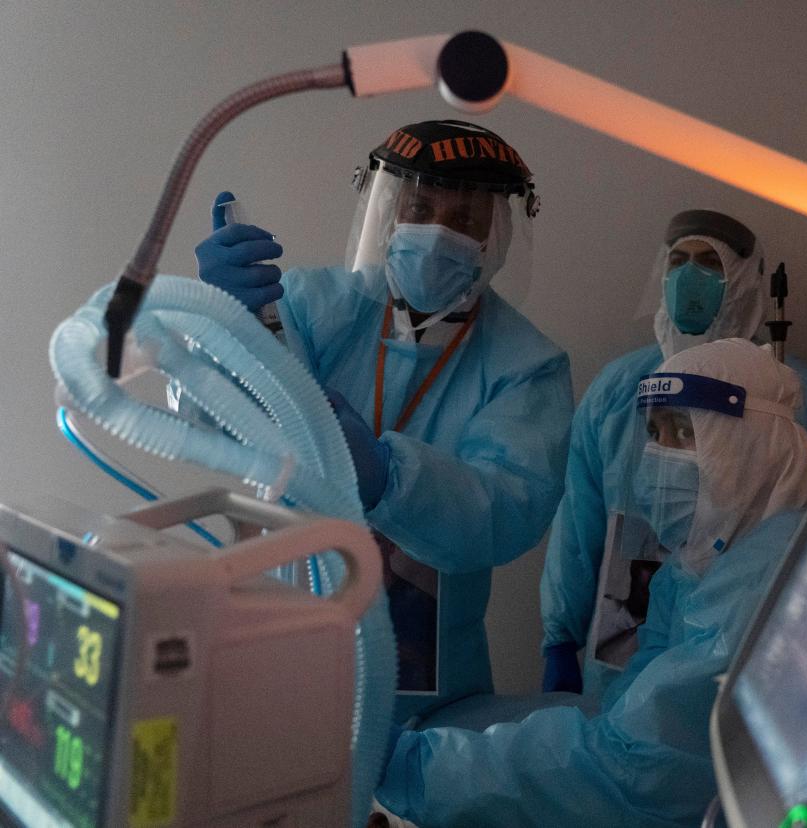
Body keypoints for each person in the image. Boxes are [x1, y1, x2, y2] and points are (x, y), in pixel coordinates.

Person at [193, 120, 574, 722]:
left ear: (497, 234)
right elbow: (211, 426)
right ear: (389, 213)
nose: (439, 233)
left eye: (466, 218)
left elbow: (508, 510)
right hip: (288, 643)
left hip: (430, 681)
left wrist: (389, 478)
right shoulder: (309, 307)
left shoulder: (526, 365)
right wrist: (221, 332)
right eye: (420, 207)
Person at [371, 338, 807, 827]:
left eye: (682, 433)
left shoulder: (765, 587)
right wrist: (561, 637)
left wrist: (417, 769)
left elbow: (636, 769)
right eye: (653, 432)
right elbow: (637, 709)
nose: (658, 455)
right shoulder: (700, 566)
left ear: (750, 441)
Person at [540, 209, 807, 694]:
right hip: (626, 635)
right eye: (678, 261)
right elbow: (580, 521)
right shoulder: (619, 390)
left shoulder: (789, 395)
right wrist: (560, 635)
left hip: (746, 637)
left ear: (746, 280)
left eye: (710, 263)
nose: (689, 277)